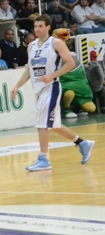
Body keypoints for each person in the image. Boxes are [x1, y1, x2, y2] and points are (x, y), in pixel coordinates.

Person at [10, 15, 95, 171]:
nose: (37, 29)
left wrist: (52, 75)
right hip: (38, 90)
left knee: (41, 124)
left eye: (41, 26)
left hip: (52, 88)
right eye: (35, 27)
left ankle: (44, 159)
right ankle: (82, 143)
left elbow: (70, 63)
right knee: (53, 125)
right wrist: (17, 85)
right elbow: (29, 69)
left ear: (48, 27)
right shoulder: (32, 46)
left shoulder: (56, 43)